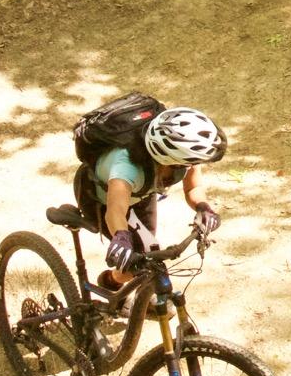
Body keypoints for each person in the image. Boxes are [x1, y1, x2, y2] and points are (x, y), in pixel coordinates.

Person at [94, 107, 227, 290]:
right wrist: (121, 237)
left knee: (146, 257)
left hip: (141, 197)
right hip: (102, 201)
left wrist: (203, 207)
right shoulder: (126, 167)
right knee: (144, 261)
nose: (194, 166)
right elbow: (115, 210)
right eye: (191, 162)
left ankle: (124, 288)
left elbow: (193, 188)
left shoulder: (183, 156)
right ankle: (111, 283)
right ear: (169, 159)